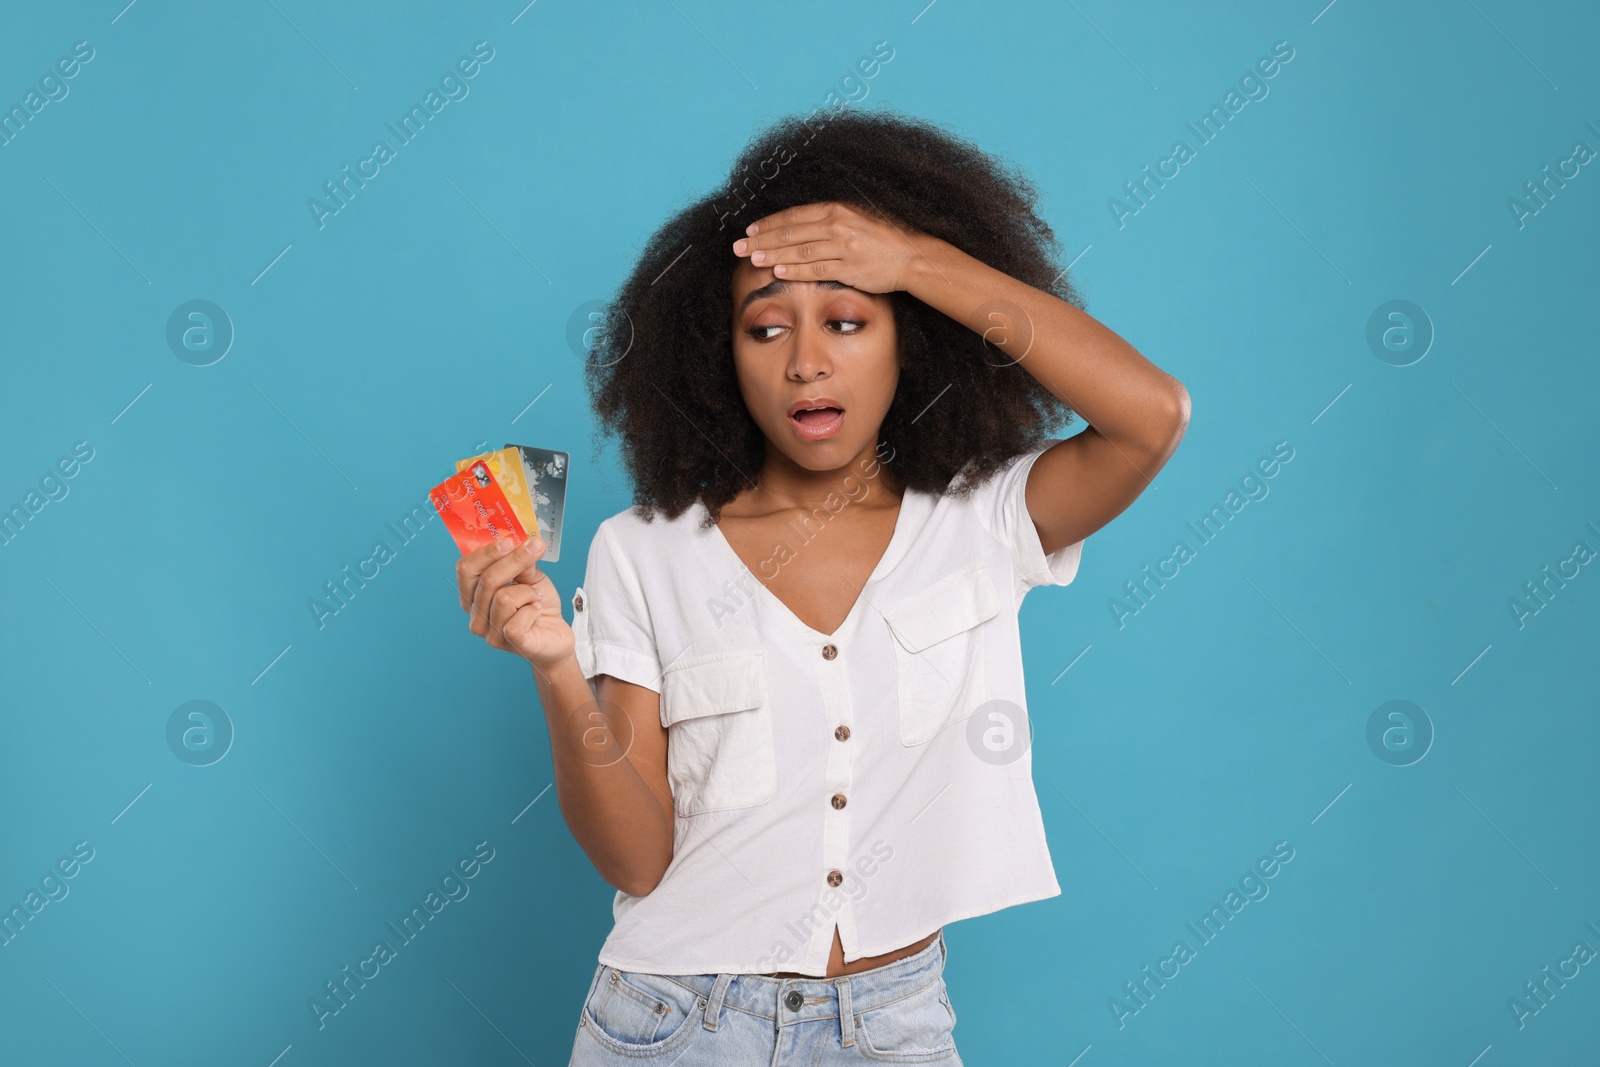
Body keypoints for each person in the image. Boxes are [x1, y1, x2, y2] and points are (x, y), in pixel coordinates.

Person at [454, 108, 1189, 1065]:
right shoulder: (643, 551)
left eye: (848, 319)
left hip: (893, 1022)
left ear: (907, 343)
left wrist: (914, 258)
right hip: (676, 1024)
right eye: (766, 330)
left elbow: (1151, 415)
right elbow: (635, 858)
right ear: (721, 360)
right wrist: (555, 666)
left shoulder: (979, 523)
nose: (807, 360)